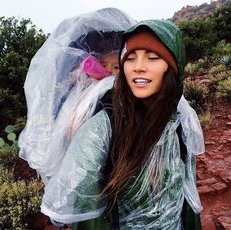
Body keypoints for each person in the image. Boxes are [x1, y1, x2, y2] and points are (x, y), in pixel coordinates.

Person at [40, 19, 205, 229]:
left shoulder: (180, 119)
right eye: (130, 58)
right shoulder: (101, 129)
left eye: (153, 58)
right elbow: (87, 212)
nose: (138, 67)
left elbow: (186, 191)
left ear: (172, 67)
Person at [18, 7, 135, 183]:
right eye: (103, 65)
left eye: (116, 67)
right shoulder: (86, 89)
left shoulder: (125, 92)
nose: (109, 71)